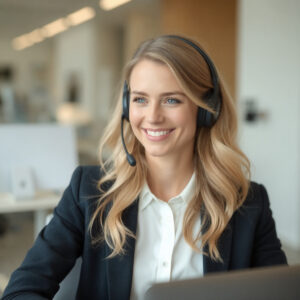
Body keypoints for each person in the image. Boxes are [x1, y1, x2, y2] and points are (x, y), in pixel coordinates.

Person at [2, 35, 287, 300]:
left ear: (206, 110)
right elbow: (22, 290)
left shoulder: (248, 204)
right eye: (140, 99)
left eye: (171, 100)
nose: (152, 116)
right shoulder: (88, 192)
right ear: (127, 107)